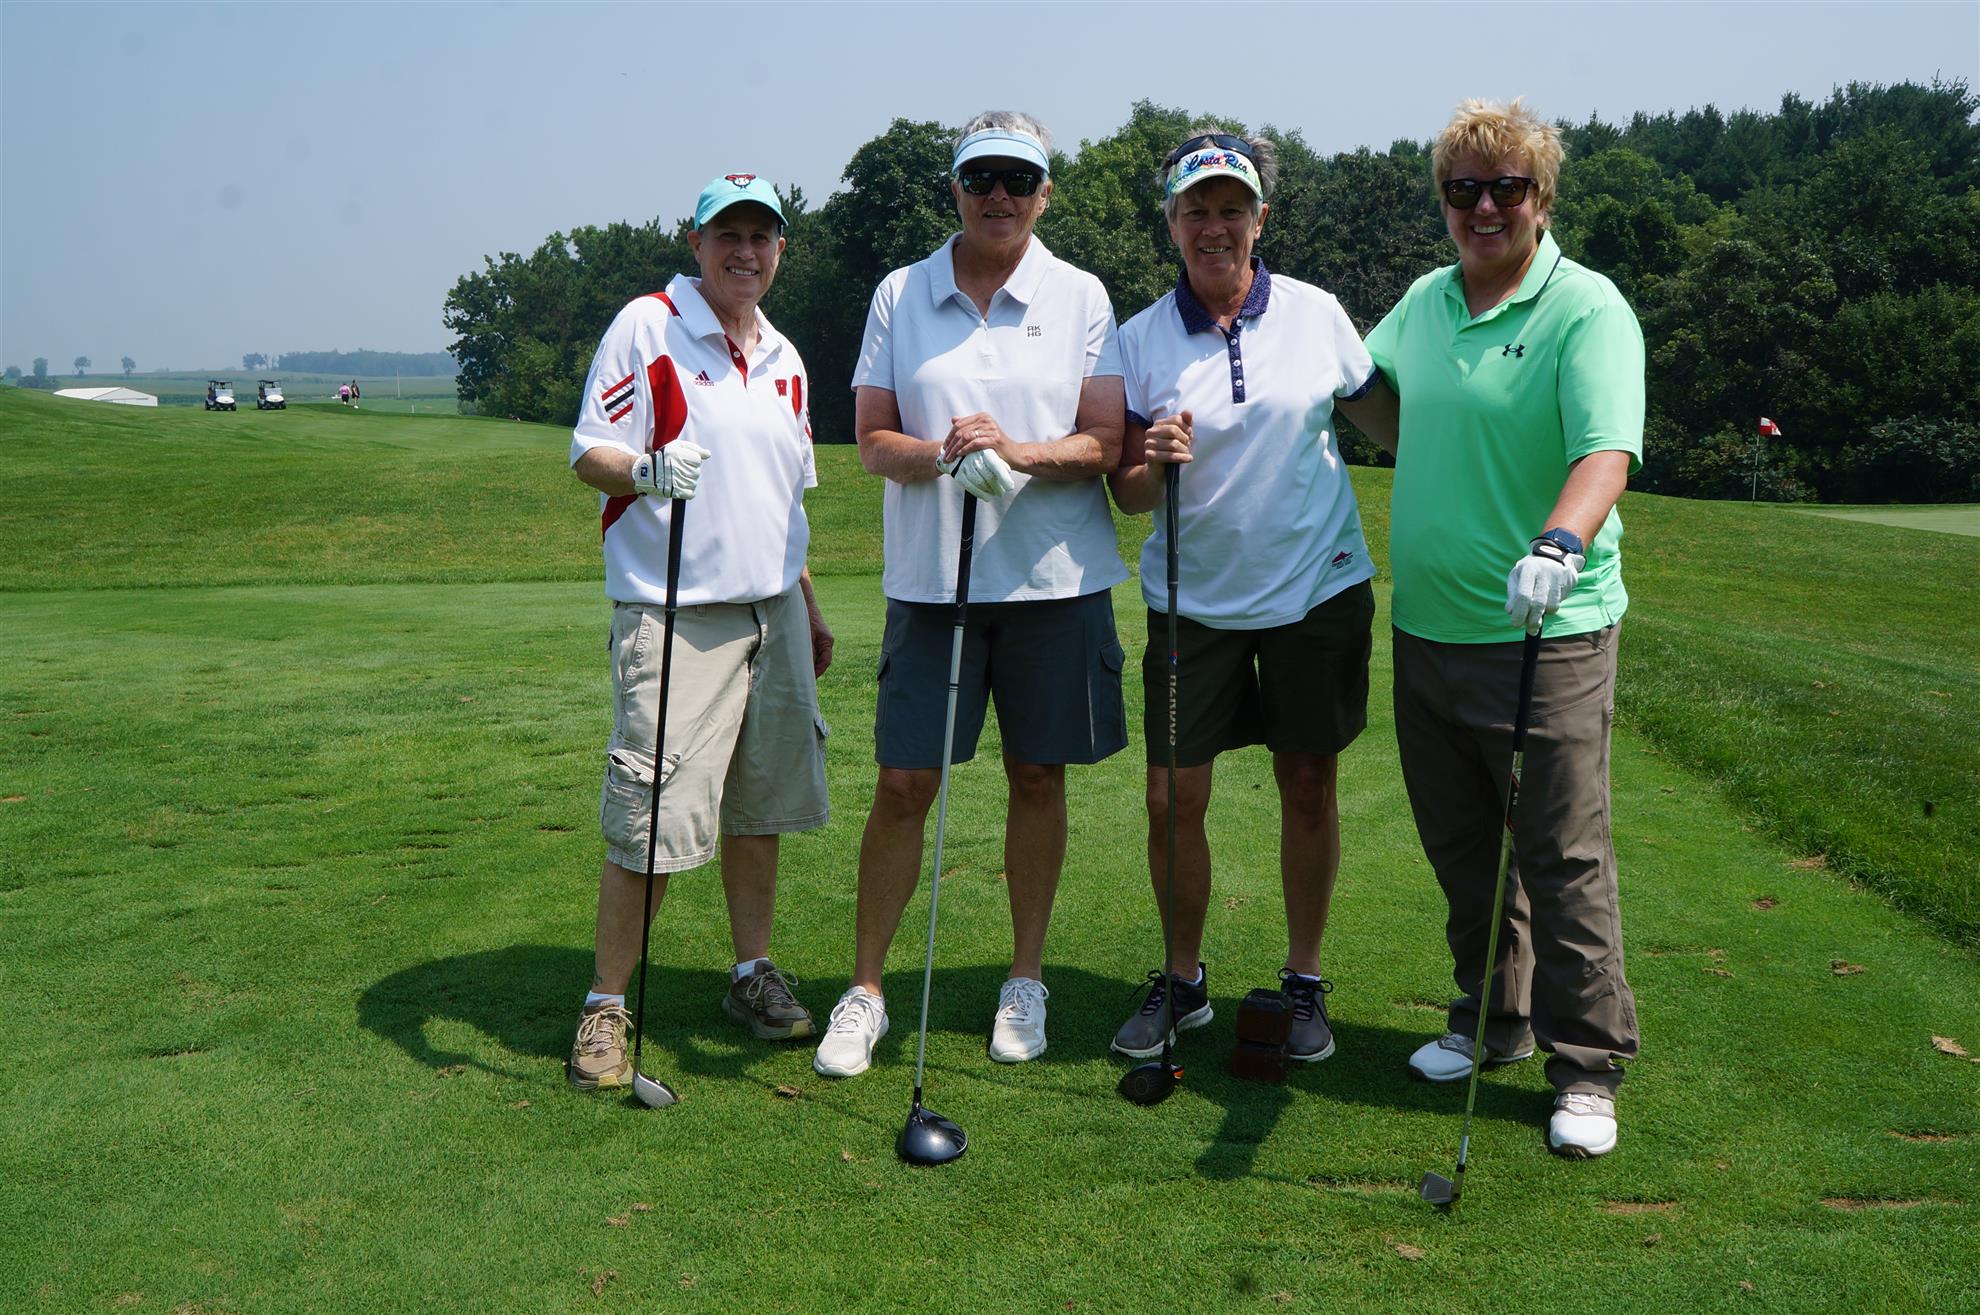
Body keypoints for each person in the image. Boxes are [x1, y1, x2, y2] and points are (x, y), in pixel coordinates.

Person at [813, 110, 1128, 1077]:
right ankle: (866, 989)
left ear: (1044, 193)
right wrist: (944, 454)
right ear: (955, 188)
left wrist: (1016, 452)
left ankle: (1024, 978)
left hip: (1053, 582)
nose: (999, 194)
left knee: (1038, 775)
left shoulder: (1079, 295)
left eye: (1018, 179)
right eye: (981, 176)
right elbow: (873, 440)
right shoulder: (900, 292)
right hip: (931, 583)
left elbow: (1105, 441)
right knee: (905, 783)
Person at [1364, 98, 1643, 1157]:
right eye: (1464, 189)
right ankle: (1493, 1019)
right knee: (1464, 848)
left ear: (1542, 197)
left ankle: (1588, 1067)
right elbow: (1378, 404)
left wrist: (1560, 543)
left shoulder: (1585, 308)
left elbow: (1605, 452)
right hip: (1429, 628)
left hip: (1545, 630)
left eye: (1507, 188)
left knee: (1561, 853)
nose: (1485, 208)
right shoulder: (1425, 302)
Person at [1106, 127, 1400, 1066]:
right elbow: (1129, 494)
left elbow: (1393, 425)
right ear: (1172, 224)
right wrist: (1153, 460)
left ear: (1260, 219)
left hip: (1316, 590)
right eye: (1196, 210)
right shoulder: (1139, 338)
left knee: (1307, 782)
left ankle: (1304, 980)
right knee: (1170, 797)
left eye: (1231, 208)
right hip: (1192, 602)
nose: (1214, 226)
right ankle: (1183, 978)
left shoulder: (1316, 314)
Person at [564, 173, 835, 1094]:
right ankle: (606, 1004)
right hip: (676, 614)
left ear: (780, 249)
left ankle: (751, 971)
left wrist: (808, 603)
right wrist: (645, 469)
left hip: (773, 611)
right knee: (652, 818)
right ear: (698, 243)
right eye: (729, 235)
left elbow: (784, 500)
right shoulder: (649, 326)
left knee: (760, 807)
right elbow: (588, 451)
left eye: (762, 236)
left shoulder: (786, 355)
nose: (745, 252)